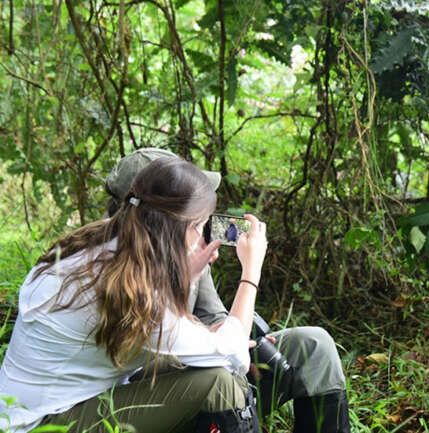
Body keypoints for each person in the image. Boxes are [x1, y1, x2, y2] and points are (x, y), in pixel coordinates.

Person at [0, 157, 263, 432]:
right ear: (179, 229)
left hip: (55, 405)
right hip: (42, 425)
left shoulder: (104, 246)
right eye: (201, 226)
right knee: (216, 383)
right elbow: (236, 357)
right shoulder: (127, 291)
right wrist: (251, 272)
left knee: (198, 368)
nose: (205, 236)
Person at [104, 148, 351, 432]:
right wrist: (250, 274)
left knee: (313, 344)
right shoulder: (110, 266)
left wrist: (225, 330)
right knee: (219, 372)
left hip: (207, 363)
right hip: (150, 397)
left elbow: (215, 318)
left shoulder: (186, 246)